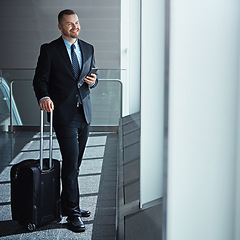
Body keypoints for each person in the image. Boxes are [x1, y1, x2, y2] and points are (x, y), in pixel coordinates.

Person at [33, 9, 98, 233]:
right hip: (64, 115)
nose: (75, 27)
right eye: (69, 24)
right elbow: (40, 79)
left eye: (77, 23)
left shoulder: (88, 48)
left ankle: (66, 203)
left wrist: (94, 80)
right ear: (60, 27)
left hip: (85, 114)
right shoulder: (49, 50)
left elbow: (91, 77)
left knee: (75, 164)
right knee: (70, 164)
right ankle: (73, 212)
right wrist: (44, 96)